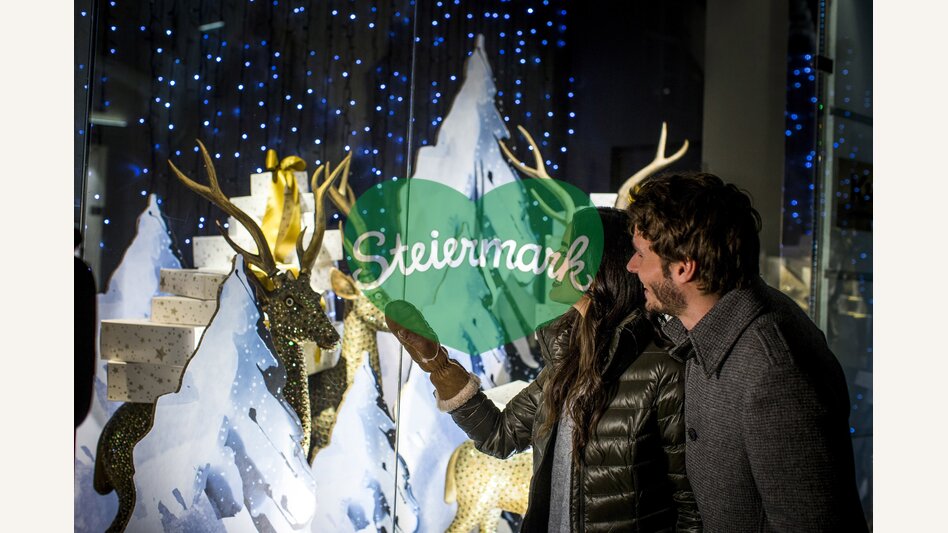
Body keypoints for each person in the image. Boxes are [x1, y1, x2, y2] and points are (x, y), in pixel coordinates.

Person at [385, 207, 702, 532]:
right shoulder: (569, 360)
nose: (553, 261)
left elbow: (691, 511)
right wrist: (437, 364)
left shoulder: (664, 367)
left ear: (597, 265)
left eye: (565, 252)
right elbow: (500, 435)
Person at [625, 172, 867, 532]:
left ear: (683, 267)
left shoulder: (775, 371)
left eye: (641, 254)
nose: (632, 266)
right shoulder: (709, 323)